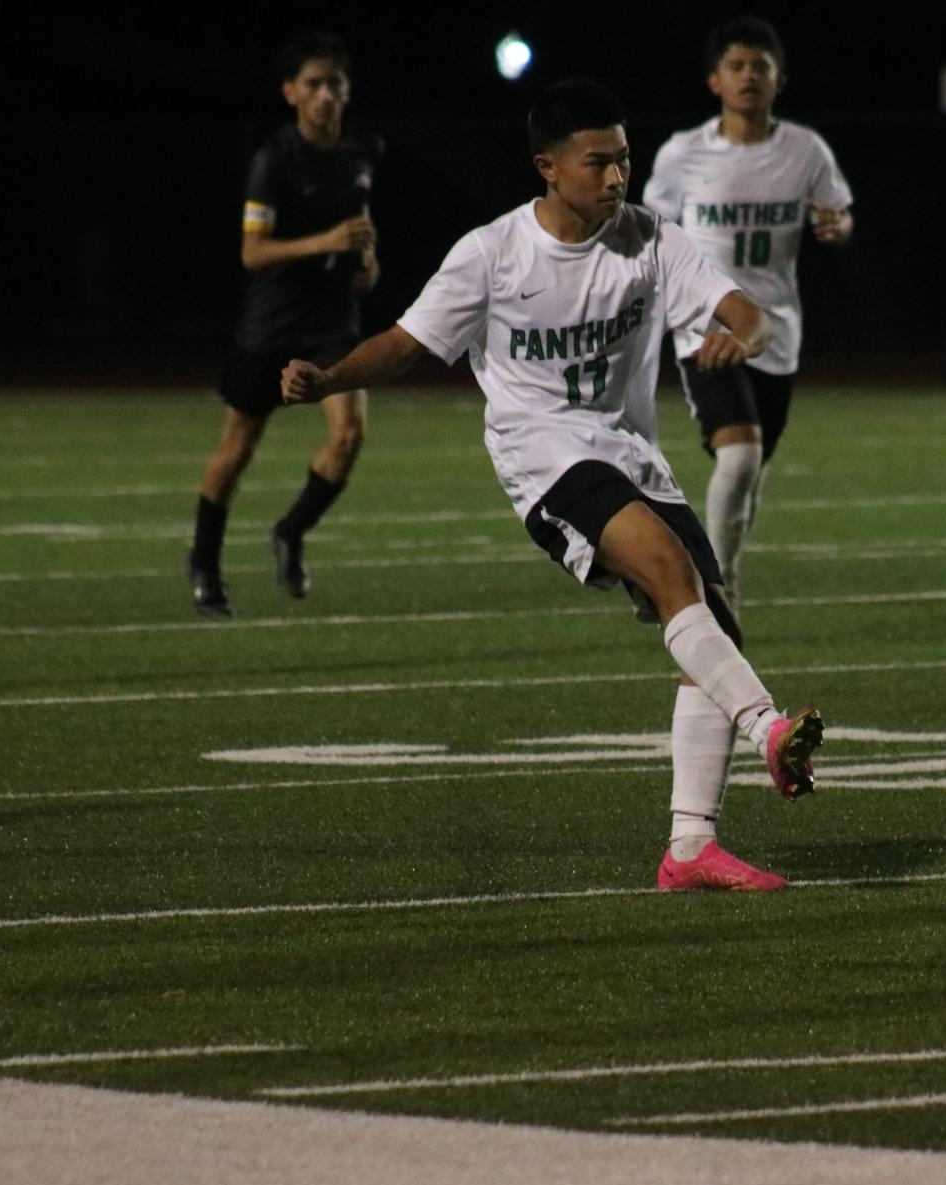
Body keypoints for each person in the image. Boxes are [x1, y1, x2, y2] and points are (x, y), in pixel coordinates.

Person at [281, 79, 825, 891]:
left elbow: (745, 309)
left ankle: (689, 848)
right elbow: (407, 341)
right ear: (547, 167)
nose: (615, 178)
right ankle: (768, 727)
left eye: (624, 160)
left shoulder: (649, 238)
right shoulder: (491, 253)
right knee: (672, 576)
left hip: (626, 451)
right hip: (542, 456)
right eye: (597, 163)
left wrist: (738, 337)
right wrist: (329, 380)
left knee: (714, 626)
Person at [641, 16, 853, 606]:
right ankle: (715, 583)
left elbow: (838, 212)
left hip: (777, 330)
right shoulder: (684, 153)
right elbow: (649, 231)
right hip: (704, 326)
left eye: (760, 66)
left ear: (779, 79)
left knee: (751, 468)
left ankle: (725, 568)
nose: (748, 76)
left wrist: (836, 225)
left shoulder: (805, 149)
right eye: (736, 66)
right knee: (740, 455)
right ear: (714, 81)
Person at [187, 32, 383, 617]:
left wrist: (367, 267)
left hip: (330, 322)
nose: (327, 95)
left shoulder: (363, 151)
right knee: (236, 450)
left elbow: (362, 235)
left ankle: (291, 531)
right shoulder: (274, 160)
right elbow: (252, 253)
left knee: (348, 434)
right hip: (269, 326)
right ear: (291, 92)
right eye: (315, 84)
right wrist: (325, 241)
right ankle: (204, 564)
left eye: (336, 84)